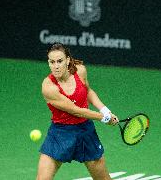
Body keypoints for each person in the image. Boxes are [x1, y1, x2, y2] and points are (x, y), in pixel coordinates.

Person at [37, 43, 119, 180]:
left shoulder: (80, 71)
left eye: (59, 61)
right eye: (52, 62)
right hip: (60, 134)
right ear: (48, 63)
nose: (56, 66)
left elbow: (88, 91)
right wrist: (103, 117)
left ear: (68, 60)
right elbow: (76, 111)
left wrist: (105, 110)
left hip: (85, 132)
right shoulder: (48, 87)